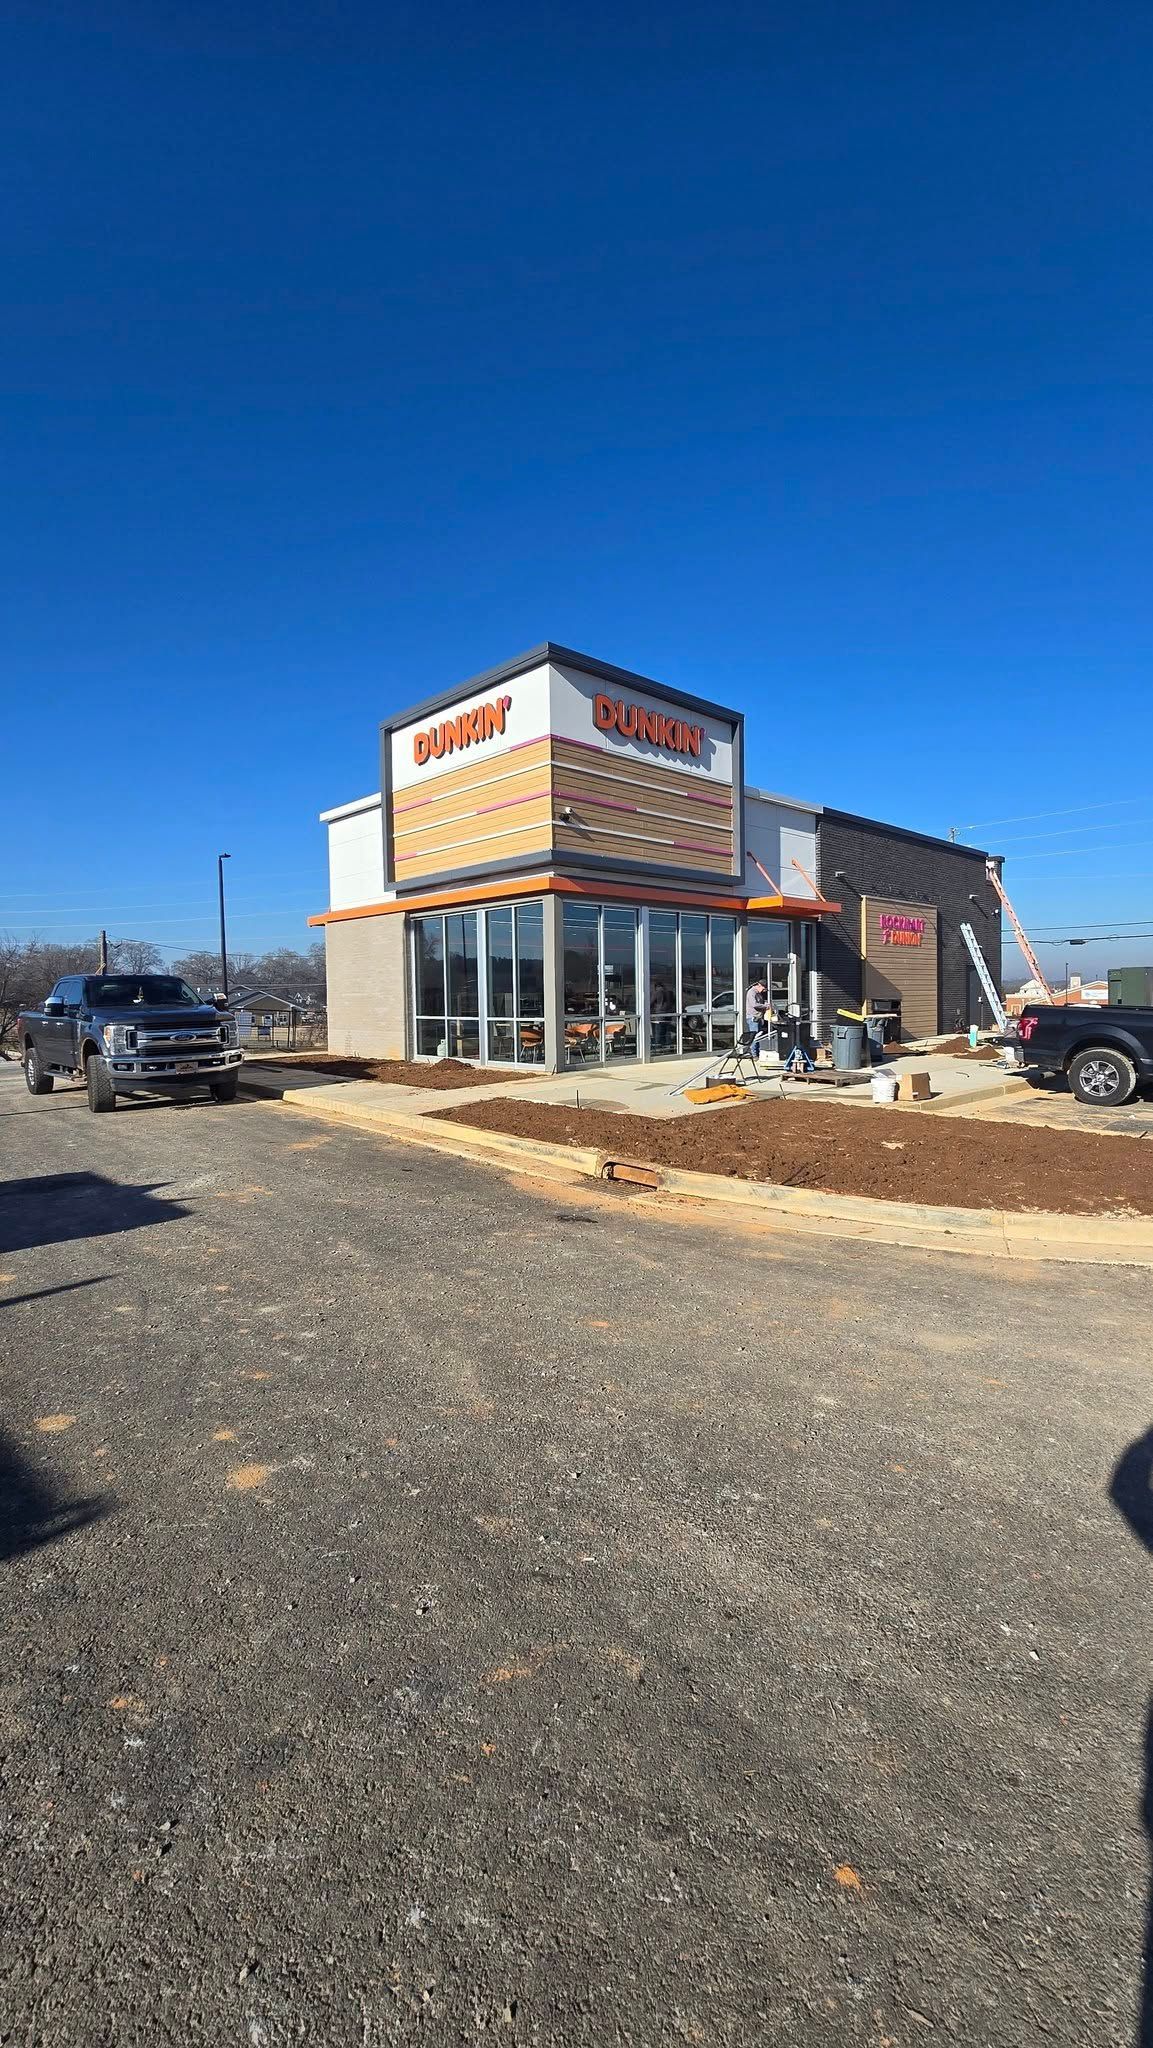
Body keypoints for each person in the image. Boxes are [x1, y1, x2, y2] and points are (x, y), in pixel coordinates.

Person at [744, 979, 773, 1058]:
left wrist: (766, 1004)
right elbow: (754, 1004)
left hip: (759, 1017)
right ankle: (753, 1054)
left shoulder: (758, 993)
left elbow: (761, 1002)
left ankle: (757, 1052)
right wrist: (766, 1006)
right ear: (759, 985)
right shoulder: (751, 992)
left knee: (759, 1036)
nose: (763, 991)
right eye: (763, 989)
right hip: (753, 1017)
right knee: (755, 1036)